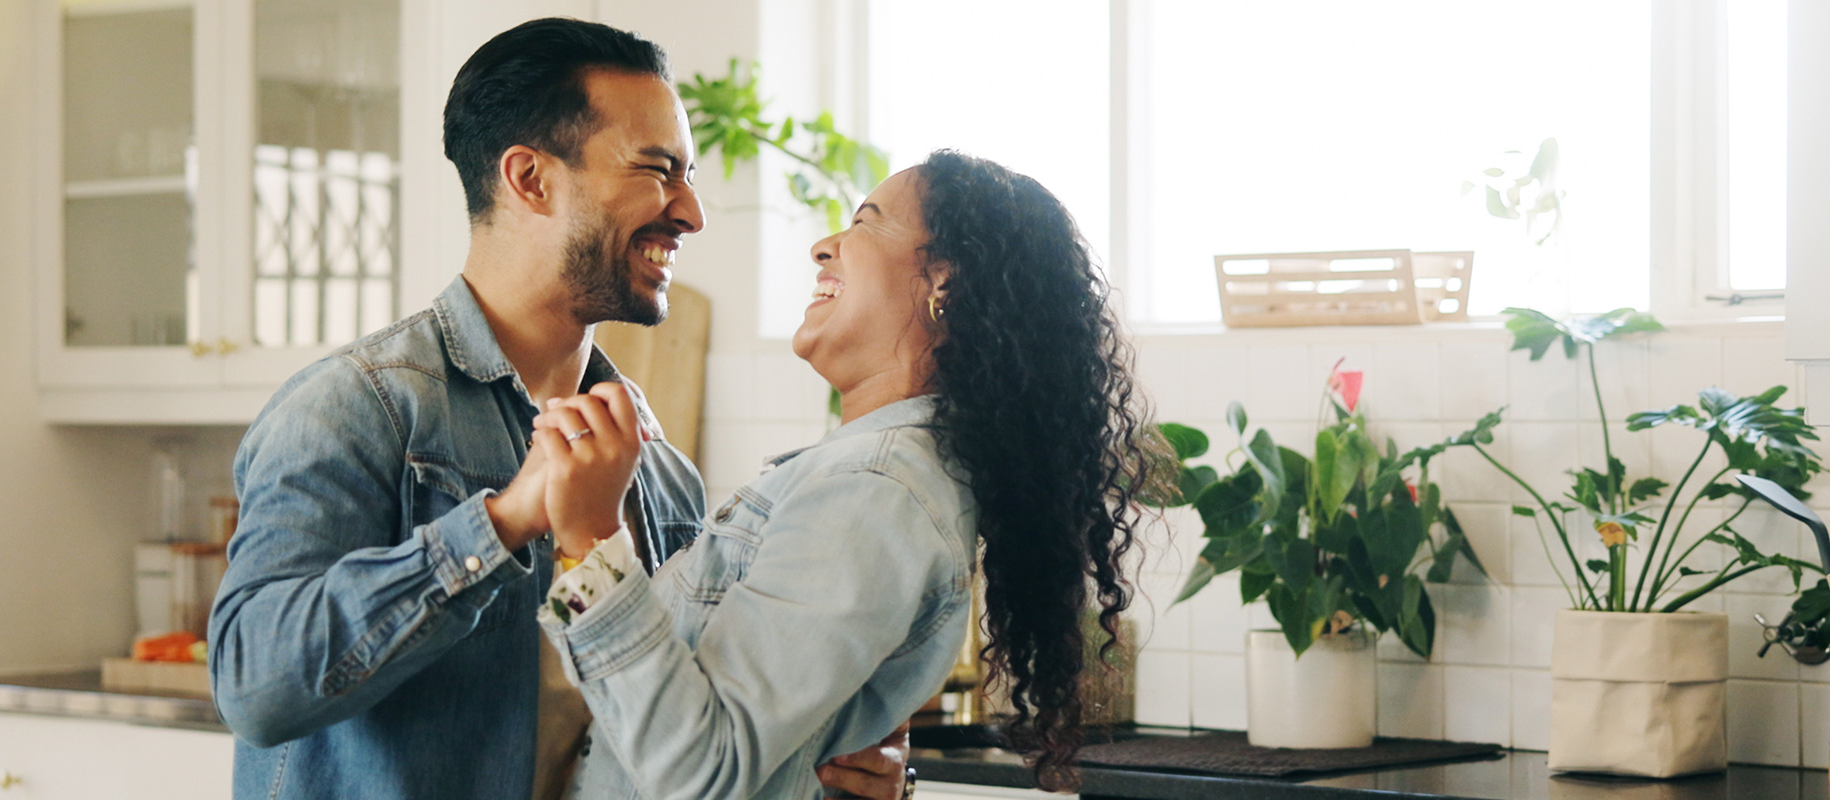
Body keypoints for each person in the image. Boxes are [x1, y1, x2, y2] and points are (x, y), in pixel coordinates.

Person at [208, 18, 905, 800]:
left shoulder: (658, 473)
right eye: (658, 170)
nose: (691, 212)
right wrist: (502, 523)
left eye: (689, 176)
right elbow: (253, 688)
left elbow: (680, 747)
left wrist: (831, 780)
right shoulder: (355, 408)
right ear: (530, 178)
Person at [525, 150, 1155, 799]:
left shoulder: (875, 490)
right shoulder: (876, 478)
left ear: (944, 282)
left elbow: (699, 768)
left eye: (865, 222)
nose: (824, 248)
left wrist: (591, 545)